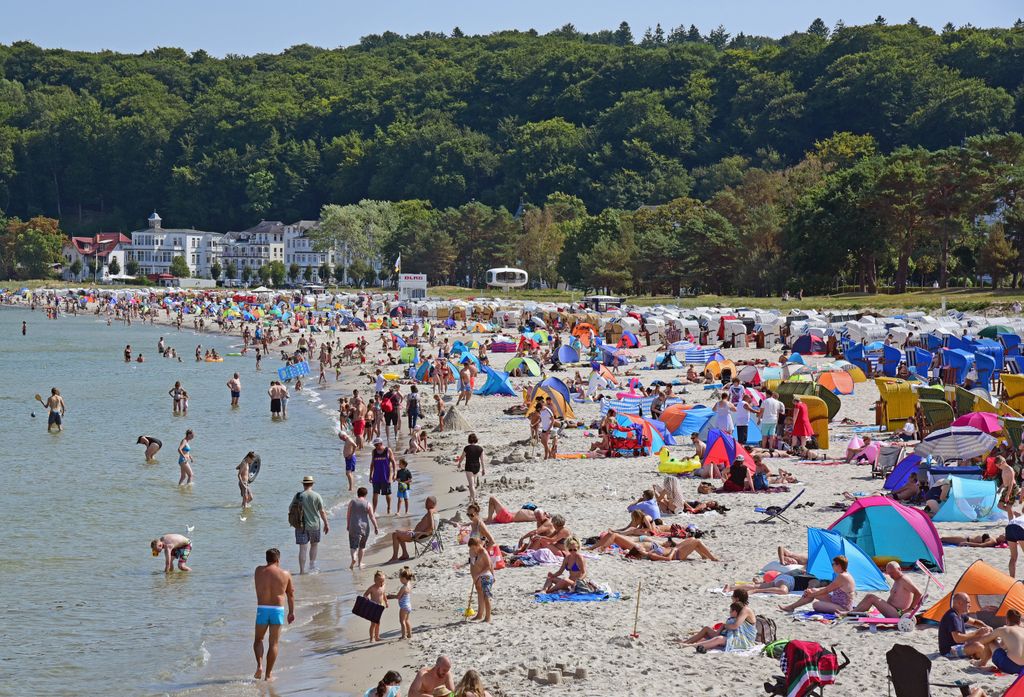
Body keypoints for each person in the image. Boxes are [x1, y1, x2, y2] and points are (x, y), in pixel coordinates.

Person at [253, 548, 294, 681]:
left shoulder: (258, 570)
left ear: (266, 559)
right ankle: (268, 674)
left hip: (262, 609)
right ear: (278, 560)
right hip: (277, 610)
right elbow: (290, 594)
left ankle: (259, 666)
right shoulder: (286, 574)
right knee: (274, 644)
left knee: (258, 640)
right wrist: (291, 612)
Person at [779, 555, 855, 613]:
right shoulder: (845, 574)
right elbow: (828, 588)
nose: (832, 566)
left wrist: (812, 594)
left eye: (833, 564)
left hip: (843, 607)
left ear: (839, 565)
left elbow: (827, 590)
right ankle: (791, 607)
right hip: (836, 600)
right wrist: (812, 592)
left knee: (816, 605)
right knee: (812, 590)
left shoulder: (842, 577)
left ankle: (791, 607)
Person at [846, 561, 922, 618]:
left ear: (899, 569)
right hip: (892, 609)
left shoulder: (904, 580)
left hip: (897, 613)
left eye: (892, 573)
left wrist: (910, 609)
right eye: (889, 574)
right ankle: (853, 612)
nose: (891, 576)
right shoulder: (898, 579)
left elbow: (918, 593)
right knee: (869, 596)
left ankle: (850, 613)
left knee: (871, 598)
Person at [292, 475, 329, 574]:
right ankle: (312, 567)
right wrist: (326, 523)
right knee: (314, 545)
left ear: (303, 484)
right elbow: (322, 512)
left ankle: (301, 571)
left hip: (301, 526)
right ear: (312, 484)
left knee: (302, 549)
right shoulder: (317, 496)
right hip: (314, 525)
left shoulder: (298, 496)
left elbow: (290, 509)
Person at [970, 608, 1024, 673]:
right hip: (1022, 669)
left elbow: (983, 641)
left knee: (990, 638)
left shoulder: (1004, 629)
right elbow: (1002, 647)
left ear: (1006, 620)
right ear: (1019, 621)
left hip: (1009, 666)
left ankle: (981, 663)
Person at [940, 592, 991, 660]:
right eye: (968, 602)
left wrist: (986, 627)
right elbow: (957, 638)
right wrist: (977, 633)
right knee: (978, 646)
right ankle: (979, 661)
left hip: (960, 645)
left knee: (987, 638)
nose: (970, 605)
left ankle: (976, 656)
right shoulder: (952, 616)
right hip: (949, 651)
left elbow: (974, 622)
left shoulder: (959, 614)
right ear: (959, 603)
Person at [387, 496, 438, 562]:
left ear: (432, 504)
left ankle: (395, 557)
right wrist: (414, 530)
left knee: (395, 534)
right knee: (400, 532)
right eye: (426, 502)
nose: (425, 503)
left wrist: (419, 533)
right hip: (420, 534)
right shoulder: (435, 511)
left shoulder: (430, 512)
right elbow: (430, 527)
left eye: (427, 502)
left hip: (418, 536)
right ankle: (405, 554)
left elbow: (431, 528)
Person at [347, 486, 379, 569]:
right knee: (362, 546)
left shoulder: (352, 502)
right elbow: (372, 516)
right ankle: (360, 563)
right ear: (366, 494)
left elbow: (348, 514)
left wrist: (348, 525)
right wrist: (376, 527)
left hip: (353, 526)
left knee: (353, 545)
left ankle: (354, 558)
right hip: (365, 527)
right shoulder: (368, 504)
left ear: (358, 493)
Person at [467, 537, 494, 622]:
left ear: (478, 545)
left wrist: (478, 575)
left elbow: (489, 566)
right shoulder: (472, 552)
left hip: (486, 575)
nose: (473, 549)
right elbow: (472, 564)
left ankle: (488, 617)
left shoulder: (484, 553)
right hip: (477, 577)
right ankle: (479, 615)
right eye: (471, 548)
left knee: (486, 596)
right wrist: (474, 577)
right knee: (480, 594)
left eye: (474, 547)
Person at [369, 437, 397, 515]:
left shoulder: (388, 450)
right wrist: (370, 475)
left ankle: (389, 508)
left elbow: (393, 462)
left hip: (386, 475)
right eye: (375, 445)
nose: (376, 446)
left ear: (381, 444)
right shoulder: (374, 452)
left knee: (387, 493)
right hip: (376, 475)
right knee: (375, 493)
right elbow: (372, 464)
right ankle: (373, 511)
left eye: (377, 445)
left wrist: (394, 473)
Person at [455, 433, 486, 503]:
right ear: (476, 440)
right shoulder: (480, 449)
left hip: (469, 467)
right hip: (477, 467)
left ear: (469, 440)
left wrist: (459, 463)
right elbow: (482, 460)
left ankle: (474, 500)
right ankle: (471, 499)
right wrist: (483, 469)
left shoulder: (467, 448)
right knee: (472, 483)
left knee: (471, 485)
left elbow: (462, 457)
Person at [388, 567, 415, 640]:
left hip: (403, 606)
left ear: (404, 578)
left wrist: (390, 596)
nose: (400, 580)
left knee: (402, 621)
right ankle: (409, 634)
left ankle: (404, 636)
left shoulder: (403, 587)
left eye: (400, 578)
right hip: (408, 605)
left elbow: (398, 596)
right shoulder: (409, 584)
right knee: (407, 620)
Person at [363, 571, 389, 642]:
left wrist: (386, 602)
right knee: (373, 623)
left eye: (383, 581)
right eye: (380, 581)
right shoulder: (372, 588)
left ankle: (377, 637)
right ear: (375, 580)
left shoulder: (383, 587)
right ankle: (371, 638)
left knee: (378, 623)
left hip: (380, 607)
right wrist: (367, 599)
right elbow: (365, 594)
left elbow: (383, 595)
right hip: (373, 607)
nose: (381, 583)